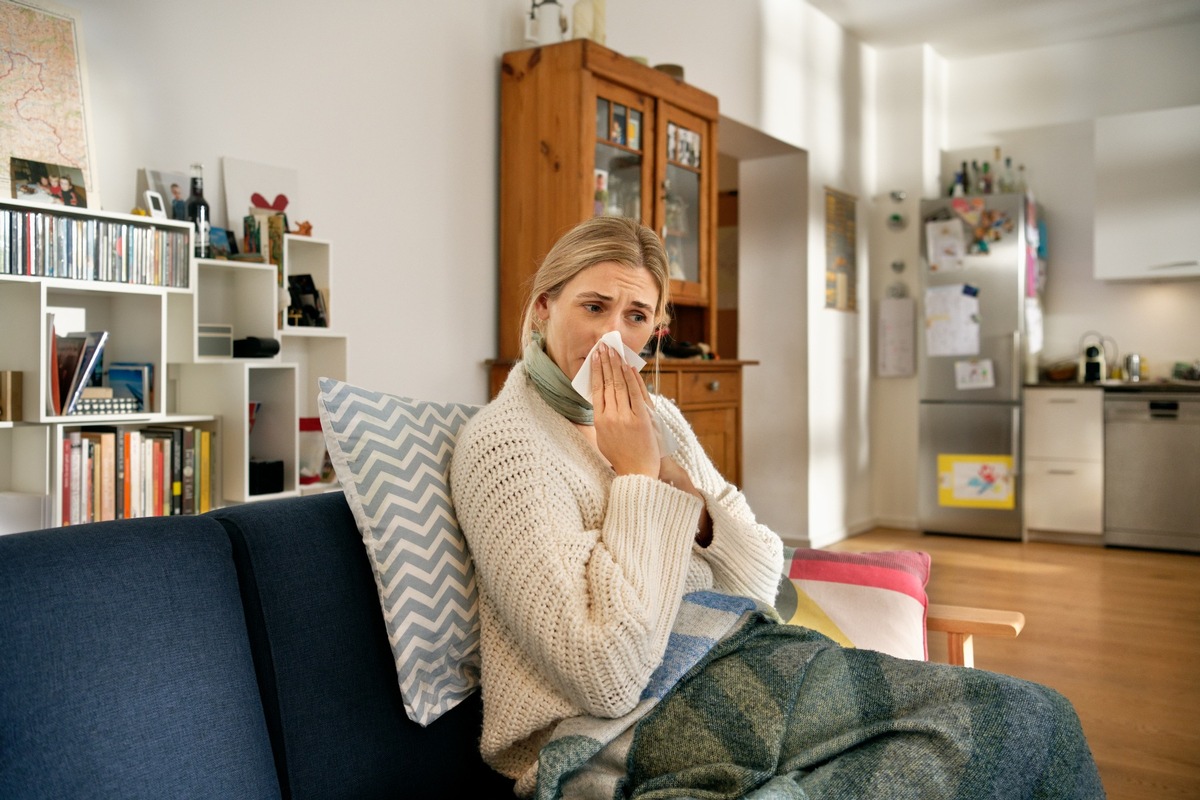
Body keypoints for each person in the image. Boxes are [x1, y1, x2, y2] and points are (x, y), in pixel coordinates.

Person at [449, 216, 1103, 799]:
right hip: (627, 723)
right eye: (595, 307)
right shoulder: (505, 446)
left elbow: (762, 578)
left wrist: (696, 506)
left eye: (637, 316)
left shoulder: (661, 417)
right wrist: (640, 481)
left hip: (739, 653)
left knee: (1038, 715)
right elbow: (605, 677)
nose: (613, 340)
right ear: (542, 309)